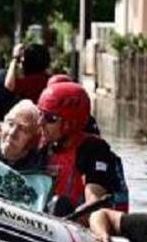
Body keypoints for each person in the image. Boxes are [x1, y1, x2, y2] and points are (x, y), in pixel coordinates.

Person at [37, 81, 126, 212]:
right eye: (40, 114)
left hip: (73, 221)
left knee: (59, 205)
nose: (40, 122)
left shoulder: (93, 150)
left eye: (50, 118)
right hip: (42, 217)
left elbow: (94, 200)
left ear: (70, 123)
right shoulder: (42, 145)